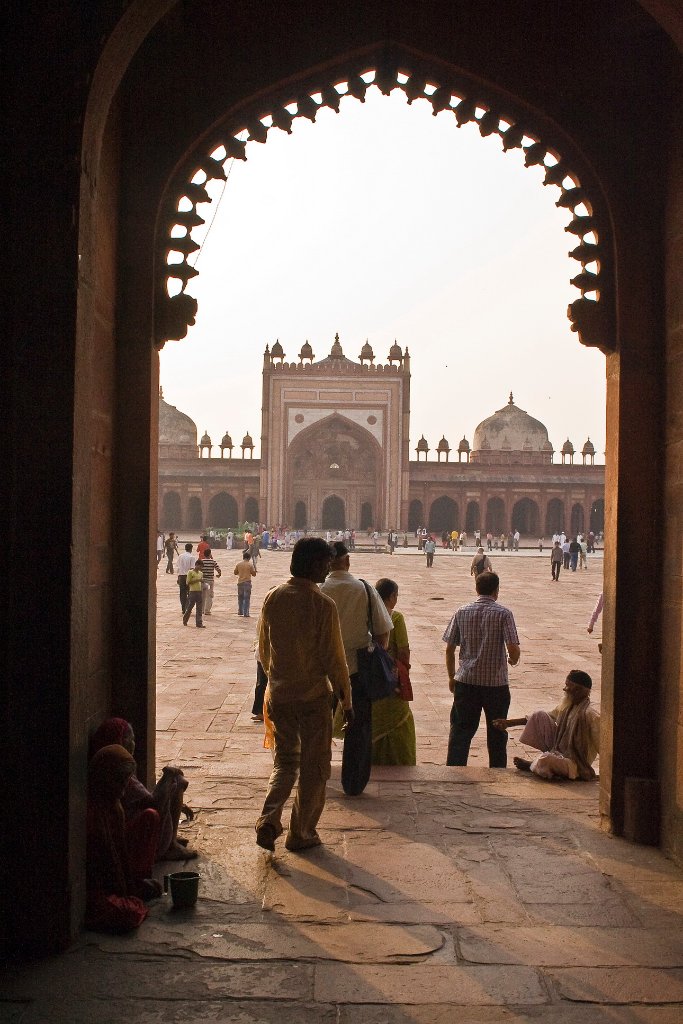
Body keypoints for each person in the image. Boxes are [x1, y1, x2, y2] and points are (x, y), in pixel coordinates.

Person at [255, 538, 353, 853]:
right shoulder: (322, 604)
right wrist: (347, 702)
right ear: (312, 564)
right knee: (315, 767)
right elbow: (335, 661)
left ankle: (269, 820)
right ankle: (301, 832)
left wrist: (278, 679)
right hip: (312, 699)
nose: (328, 569)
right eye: (325, 564)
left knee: (285, 762)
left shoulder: (273, 597)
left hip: (279, 695)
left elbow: (263, 650)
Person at [320, 541, 393, 796]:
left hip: (322, 670)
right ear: (347, 561)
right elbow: (383, 634)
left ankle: (316, 776)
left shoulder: (318, 589)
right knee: (359, 727)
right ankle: (353, 783)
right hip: (358, 668)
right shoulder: (364, 588)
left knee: (318, 724)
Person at [443, 571, 520, 767]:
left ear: (476, 589)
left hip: (466, 680)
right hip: (495, 684)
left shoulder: (462, 611)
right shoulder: (504, 613)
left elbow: (450, 648)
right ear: (496, 590)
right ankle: (497, 771)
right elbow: (513, 648)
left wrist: (452, 677)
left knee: (461, 730)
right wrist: (512, 659)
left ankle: (455, 770)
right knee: (497, 731)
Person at [90, 718, 196, 860]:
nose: (133, 744)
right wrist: (168, 775)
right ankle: (169, 845)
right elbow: (154, 803)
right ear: (120, 742)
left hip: (134, 830)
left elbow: (142, 799)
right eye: (129, 740)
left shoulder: (109, 762)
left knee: (175, 782)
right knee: (176, 781)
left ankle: (171, 840)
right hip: (138, 840)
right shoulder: (117, 770)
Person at [86, 744, 161, 932]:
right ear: (104, 779)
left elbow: (120, 855)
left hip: (114, 882)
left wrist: (131, 886)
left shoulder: (115, 806)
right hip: (96, 888)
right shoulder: (91, 812)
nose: (123, 789)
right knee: (125, 913)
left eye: (125, 782)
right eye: (118, 781)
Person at [493, 669, 600, 780]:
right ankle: (549, 768)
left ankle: (533, 765)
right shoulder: (568, 707)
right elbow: (544, 717)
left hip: (577, 764)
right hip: (561, 752)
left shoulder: (590, 714)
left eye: (568, 686)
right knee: (539, 715)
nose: (564, 689)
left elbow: (603, 746)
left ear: (578, 690)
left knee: (546, 759)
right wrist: (508, 723)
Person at [371, 578, 416, 765]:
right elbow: (403, 650)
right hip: (391, 680)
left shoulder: (367, 616)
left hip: (370, 680)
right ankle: (399, 764)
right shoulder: (395, 617)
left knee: (373, 723)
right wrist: (403, 674)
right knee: (399, 722)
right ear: (391, 597)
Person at [234, 549, 257, 616]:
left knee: (240, 597)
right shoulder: (250, 565)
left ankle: (240, 611)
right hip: (247, 582)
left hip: (240, 582)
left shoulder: (239, 564)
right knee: (246, 598)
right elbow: (254, 574)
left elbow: (235, 572)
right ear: (249, 558)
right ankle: (246, 612)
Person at [182, 560, 205, 627]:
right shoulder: (190, 572)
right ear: (196, 565)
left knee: (199, 609)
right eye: (200, 566)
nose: (200, 568)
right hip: (192, 592)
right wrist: (198, 580)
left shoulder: (200, 573)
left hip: (199, 591)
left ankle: (199, 623)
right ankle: (185, 619)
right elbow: (188, 582)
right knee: (190, 607)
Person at [176, 542, 195, 613]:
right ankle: (187, 607)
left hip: (181, 576)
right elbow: (192, 569)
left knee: (182, 593)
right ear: (191, 549)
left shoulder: (180, 556)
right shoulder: (192, 557)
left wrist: (178, 577)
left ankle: (183, 607)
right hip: (188, 576)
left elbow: (178, 567)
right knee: (189, 593)